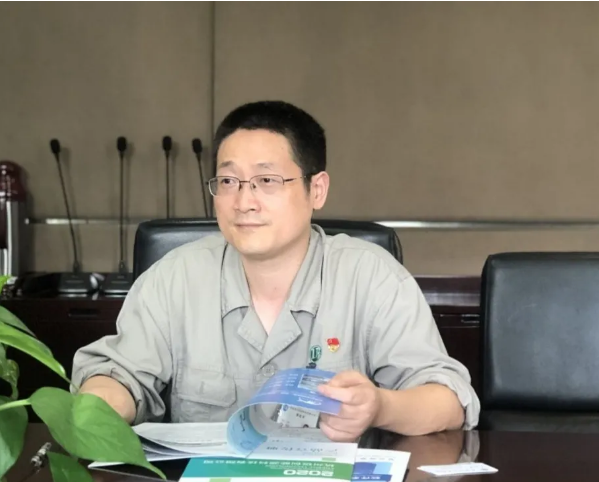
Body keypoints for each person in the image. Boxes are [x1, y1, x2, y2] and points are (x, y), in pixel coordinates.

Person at [72, 100, 480, 441]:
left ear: (316, 189)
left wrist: (380, 406)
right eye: (228, 181)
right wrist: (104, 401)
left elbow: (449, 401)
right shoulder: (174, 278)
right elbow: (118, 376)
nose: (243, 201)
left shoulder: (372, 277)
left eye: (266, 180)